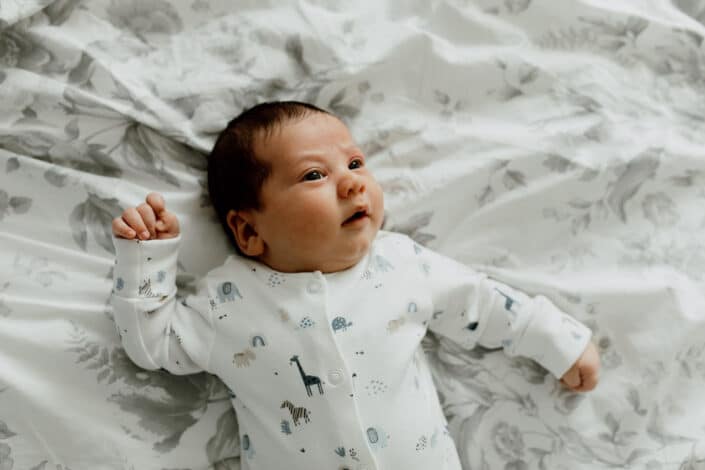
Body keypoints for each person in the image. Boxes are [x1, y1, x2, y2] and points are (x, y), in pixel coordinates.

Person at [111, 101, 600, 470]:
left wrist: (558, 341)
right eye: (314, 175)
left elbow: (486, 303)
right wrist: (148, 259)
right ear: (249, 231)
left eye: (356, 164)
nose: (351, 184)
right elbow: (154, 345)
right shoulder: (228, 303)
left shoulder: (401, 264)